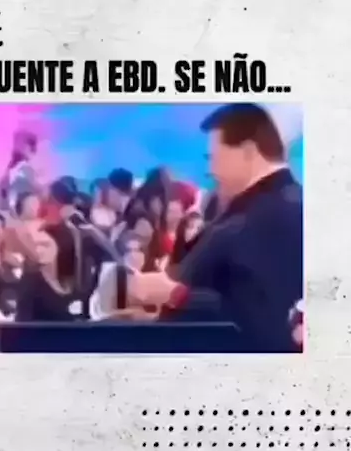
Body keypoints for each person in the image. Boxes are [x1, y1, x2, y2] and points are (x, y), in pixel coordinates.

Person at [127, 103, 303, 352]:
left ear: (248, 152)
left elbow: (262, 318)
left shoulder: (272, 215)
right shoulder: (262, 208)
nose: (210, 171)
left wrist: (174, 295)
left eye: (214, 158)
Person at [15, 223, 82, 322]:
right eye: (36, 245)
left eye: (45, 245)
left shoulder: (78, 278)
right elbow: (22, 324)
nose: (38, 250)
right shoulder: (30, 282)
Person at [89, 231, 158, 321]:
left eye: (138, 250)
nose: (134, 255)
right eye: (129, 251)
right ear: (121, 256)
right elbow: (103, 314)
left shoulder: (151, 278)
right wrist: (134, 314)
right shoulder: (112, 277)